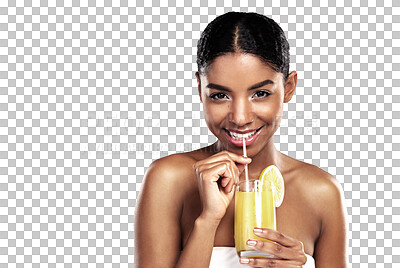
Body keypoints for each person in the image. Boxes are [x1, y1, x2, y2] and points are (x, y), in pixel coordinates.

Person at [134, 12, 348, 267]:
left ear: (289, 87)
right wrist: (207, 221)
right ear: (200, 89)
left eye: (260, 93)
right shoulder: (169, 179)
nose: (240, 117)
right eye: (220, 96)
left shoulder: (322, 192)